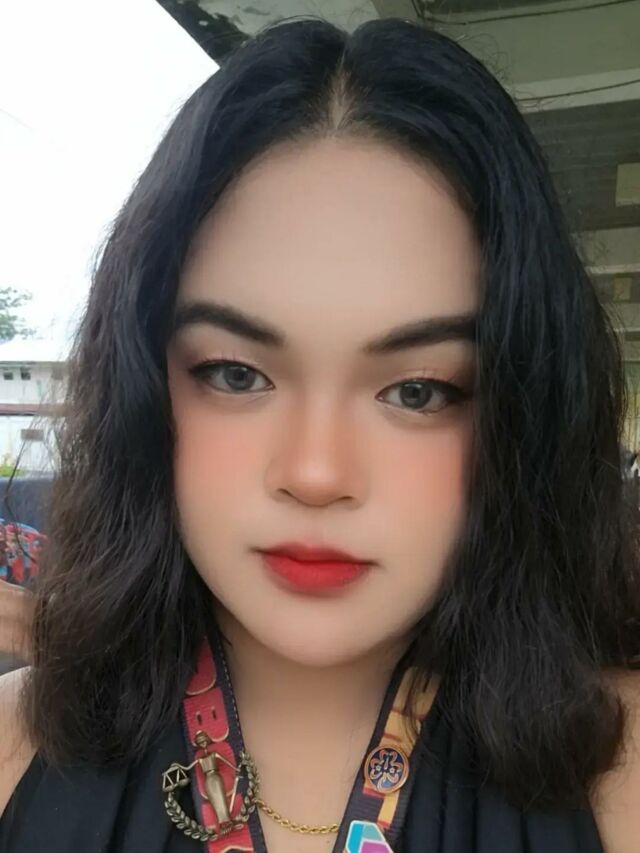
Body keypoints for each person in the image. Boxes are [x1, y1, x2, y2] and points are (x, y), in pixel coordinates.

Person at [0, 15, 639, 853]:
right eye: (236, 374)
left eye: (417, 390)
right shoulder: (12, 753)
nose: (315, 472)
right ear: (145, 389)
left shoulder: (623, 775)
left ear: (523, 415)